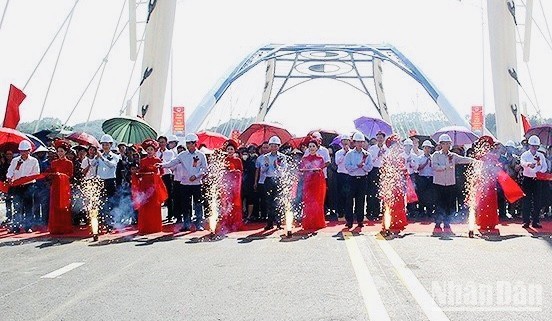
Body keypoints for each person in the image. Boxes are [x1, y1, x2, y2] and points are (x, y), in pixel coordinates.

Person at [159, 133, 207, 231]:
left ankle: (198, 224)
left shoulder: (201, 155)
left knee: (198, 204)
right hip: (185, 184)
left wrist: (197, 176)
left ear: (195, 143)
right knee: (185, 204)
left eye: (190, 143)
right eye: (187, 143)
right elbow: (172, 163)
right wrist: (161, 165)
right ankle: (186, 224)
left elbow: (205, 169)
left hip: (197, 184)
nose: (188, 145)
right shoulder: (182, 155)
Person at [431, 134, 475, 233]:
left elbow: (463, 159)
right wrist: (445, 167)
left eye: (448, 143)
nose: (447, 145)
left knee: (449, 203)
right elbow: (434, 167)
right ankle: (438, 222)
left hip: (450, 183)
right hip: (439, 183)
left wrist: (475, 161)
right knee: (439, 203)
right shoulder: (436, 155)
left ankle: (447, 222)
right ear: (441, 144)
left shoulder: (453, 156)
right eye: (445, 143)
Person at [133, 139, 167, 235]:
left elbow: (162, 173)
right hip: (144, 185)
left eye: (151, 149)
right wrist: (137, 173)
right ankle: (145, 227)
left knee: (154, 206)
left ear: (154, 150)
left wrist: (155, 175)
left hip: (154, 185)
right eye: (148, 149)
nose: (149, 151)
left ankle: (155, 227)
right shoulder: (143, 160)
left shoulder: (158, 160)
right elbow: (141, 172)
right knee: (145, 206)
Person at [6, 140, 40, 233]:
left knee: (28, 206)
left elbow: (36, 173)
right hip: (17, 186)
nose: (23, 153)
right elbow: (10, 171)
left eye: (25, 151)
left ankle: (27, 226)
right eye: (21, 151)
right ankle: (16, 227)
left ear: (29, 151)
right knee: (17, 206)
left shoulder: (34, 161)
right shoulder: (15, 160)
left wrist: (26, 178)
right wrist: (9, 177)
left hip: (29, 185)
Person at [345, 132, 373, 229]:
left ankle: (360, 220)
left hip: (362, 179)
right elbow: (347, 167)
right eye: (358, 142)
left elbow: (370, 168)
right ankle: (349, 221)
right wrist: (357, 166)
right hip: (352, 179)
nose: (360, 144)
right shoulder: (349, 154)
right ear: (354, 143)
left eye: (362, 142)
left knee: (361, 200)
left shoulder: (367, 154)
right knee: (349, 201)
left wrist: (363, 166)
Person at [520, 135, 547, 228]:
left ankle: (536, 221)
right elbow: (522, 163)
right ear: (529, 146)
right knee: (526, 200)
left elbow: (545, 166)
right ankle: (526, 221)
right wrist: (528, 164)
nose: (534, 148)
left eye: (536, 146)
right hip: (527, 179)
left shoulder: (541, 155)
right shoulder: (525, 155)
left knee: (537, 201)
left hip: (537, 180)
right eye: (532, 146)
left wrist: (540, 172)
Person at [47, 140, 74, 235]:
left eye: (61, 151)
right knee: (55, 207)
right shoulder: (53, 162)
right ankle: (55, 228)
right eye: (58, 151)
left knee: (64, 207)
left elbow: (70, 175)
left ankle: (64, 227)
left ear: (65, 152)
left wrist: (61, 175)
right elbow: (50, 174)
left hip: (64, 187)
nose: (60, 153)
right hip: (55, 187)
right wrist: (51, 175)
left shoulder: (69, 163)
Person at [261, 136, 288, 230]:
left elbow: (284, 170)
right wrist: (267, 164)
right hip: (268, 180)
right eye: (271, 146)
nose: (273, 148)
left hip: (278, 179)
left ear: (278, 146)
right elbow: (263, 171)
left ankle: (279, 222)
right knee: (269, 202)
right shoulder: (266, 157)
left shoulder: (282, 157)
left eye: (275, 146)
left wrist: (277, 166)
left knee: (278, 201)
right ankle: (269, 223)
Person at [299, 140, 326, 230]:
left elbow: (321, 171)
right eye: (310, 146)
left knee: (317, 202)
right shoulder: (304, 159)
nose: (311, 148)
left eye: (313, 146)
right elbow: (301, 170)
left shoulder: (320, 159)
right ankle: (308, 222)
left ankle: (317, 222)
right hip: (308, 182)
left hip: (317, 183)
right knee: (308, 202)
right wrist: (303, 171)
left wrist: (317, 171)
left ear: (317, 148)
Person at [96, 134, 120, 233]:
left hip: (110, 181)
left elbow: (112, 165)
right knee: (102, 202)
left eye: (107, 144)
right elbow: (93, 164)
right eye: (103, 144)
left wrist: (102, 158)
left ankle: (113, 222)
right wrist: (94, 157)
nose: (105, 146)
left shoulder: (115, 156)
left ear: (110, 145)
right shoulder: (99, 156)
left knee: (111, 202)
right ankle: (104, 222)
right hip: (101, 181)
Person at [219, 140, 244, 232]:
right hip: (226, 184)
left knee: (235, 202)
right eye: (228, 149)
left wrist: (235, 172)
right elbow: (221, 171)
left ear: (234, 151)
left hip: (235, 185)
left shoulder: (238, 160)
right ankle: (226, 222)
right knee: (226, 201)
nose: (230, 151)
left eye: (231, 149)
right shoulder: (223, 159)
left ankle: (235, 222)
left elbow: (241, 171)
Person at [367, 131, 387, 220]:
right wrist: (378, 155)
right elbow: (370, 160)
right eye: (378, 137)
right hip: (374, 170)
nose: (380, 139)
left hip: (384, 170)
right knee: (374, 191)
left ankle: (383, 211)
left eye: (381, 137)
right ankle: (374, 211)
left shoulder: (387, 149)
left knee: (384, 191)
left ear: (384, 139)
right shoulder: (372, 149)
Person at [157, 136, 177, 222]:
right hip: (158, 176)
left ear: (166, 143)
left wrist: (162, 161)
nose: (161, 144)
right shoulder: (155, 152)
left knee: (169, 195)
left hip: (167, 175)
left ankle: (170, 215)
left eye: (163, 142)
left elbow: (171, 164)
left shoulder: (170, 153)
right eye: (160, 142)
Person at [415, 140, 435, 218]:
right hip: (422, 177)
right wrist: (426, 163)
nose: (427, 149)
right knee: (421, 195)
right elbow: (418, 168)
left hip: (430, 178)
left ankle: (430, 211)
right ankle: (421, 211)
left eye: (429, 148)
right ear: (423, 148)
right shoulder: (419, 158)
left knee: (430, 195)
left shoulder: (433, 157)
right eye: (426, 148)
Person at [334, 134, 351, 218]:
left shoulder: (352, 152)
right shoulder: (338, 152)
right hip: (341, 174)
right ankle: (340, 212)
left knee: (349, 194)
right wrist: (344, 153)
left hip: (350, 175)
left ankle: (349, 212)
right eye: (344, 140)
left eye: (347, 140)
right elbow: (337, 162)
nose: (345, 142)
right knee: (340, 194)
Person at [254, 142, 270, 221]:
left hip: (270, 181)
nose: (265, 149)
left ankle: (269, 215)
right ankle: (263, 215)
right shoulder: (259, 158)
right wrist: (255, 182)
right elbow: (257, 170)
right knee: (262, 199)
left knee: (269, 199)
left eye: (267, 147)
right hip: (261, 181)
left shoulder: (273, 157)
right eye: (264, 147)